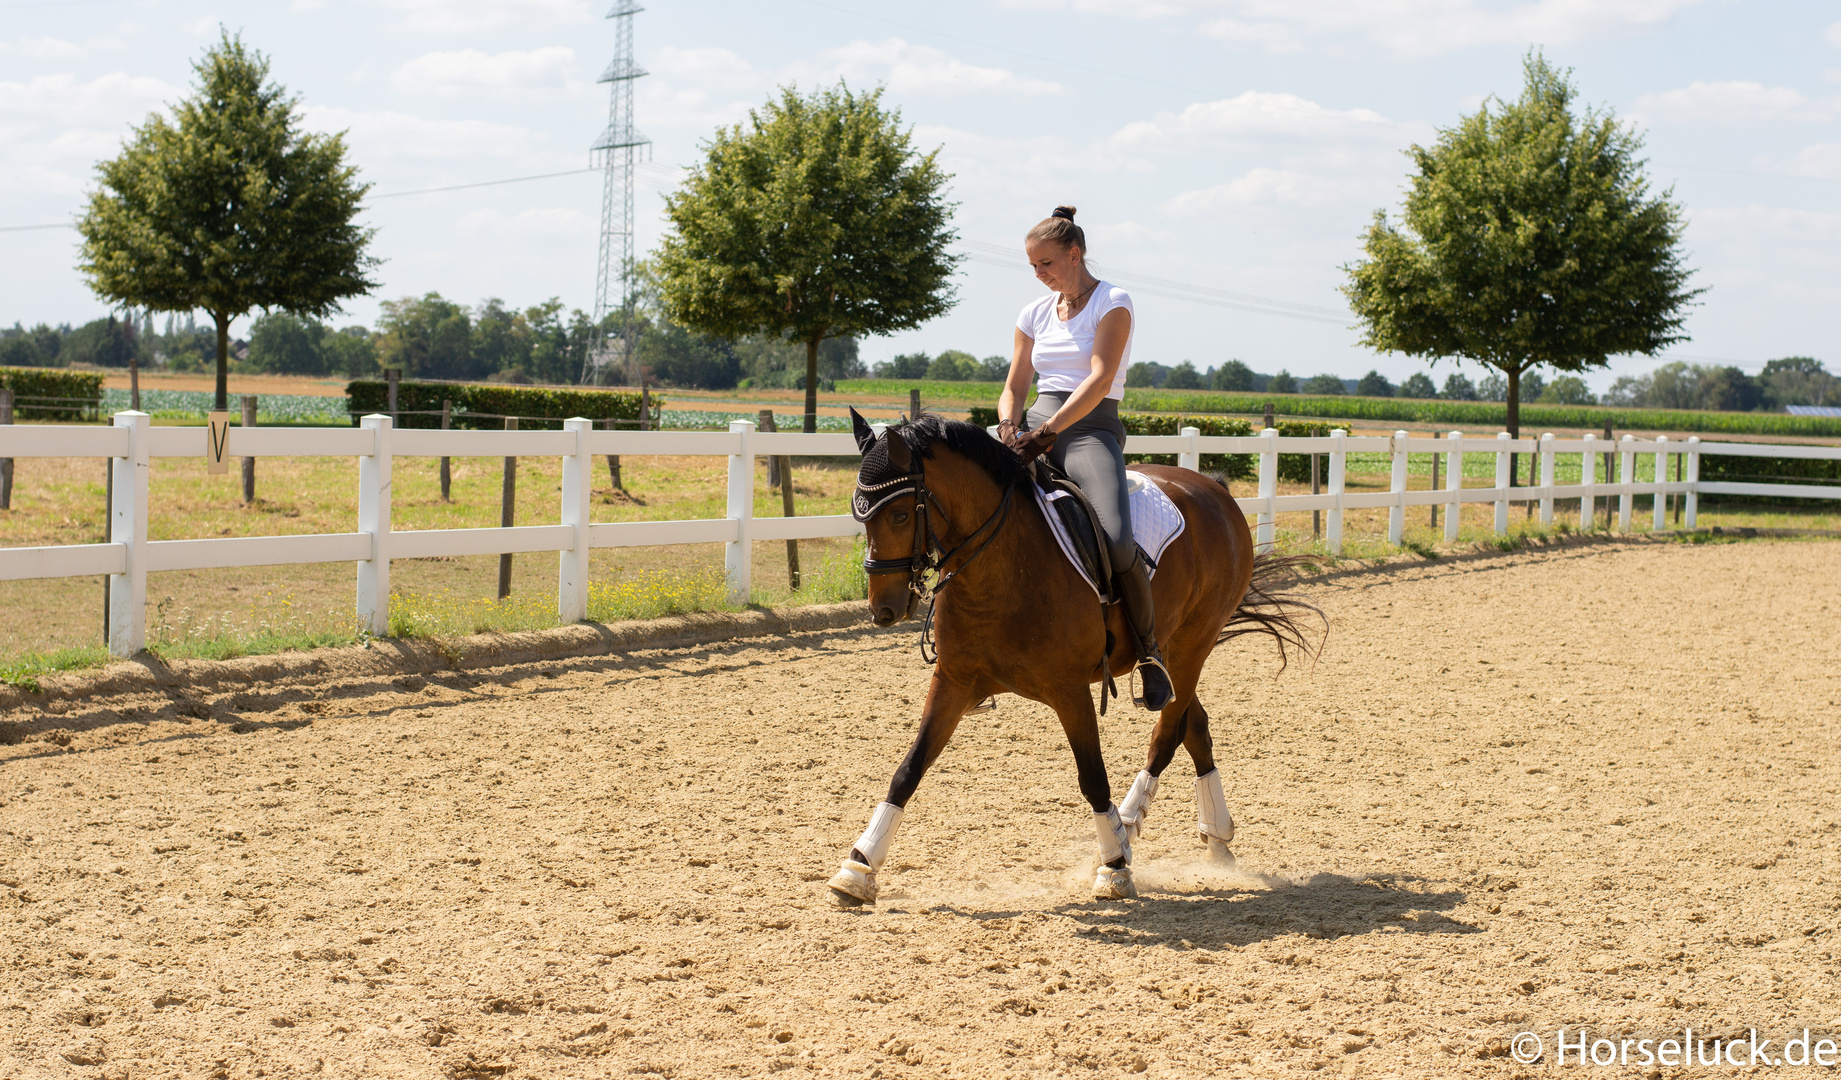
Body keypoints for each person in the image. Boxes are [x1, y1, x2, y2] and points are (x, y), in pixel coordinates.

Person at [998, 206, 1173, 711]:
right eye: (1033, 267)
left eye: (1046, 263)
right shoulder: (1033, 312)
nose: (1039, 275)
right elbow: (1014, 384)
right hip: (1033, 424)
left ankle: (1149, 654)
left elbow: (1099, 379)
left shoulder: (1112, 302)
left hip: (1088, 427)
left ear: (1075, 255)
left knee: (1117, 539)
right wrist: (1012, 426)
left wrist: (1047, 434)